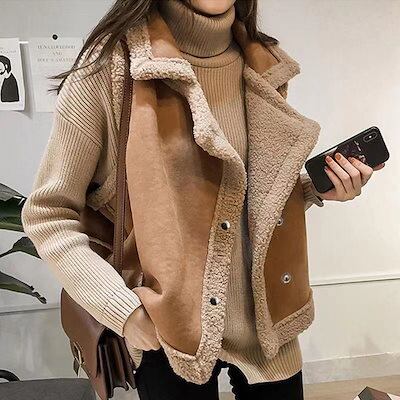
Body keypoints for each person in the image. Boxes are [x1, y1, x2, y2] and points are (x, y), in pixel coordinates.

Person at [21, 0, 385, 399]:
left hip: (269, 324)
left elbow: (241, 193)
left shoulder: (263, 63)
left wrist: (315, 188)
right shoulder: (111, 68)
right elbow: (48, 215)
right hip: (169, 330)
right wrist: (122, 311)